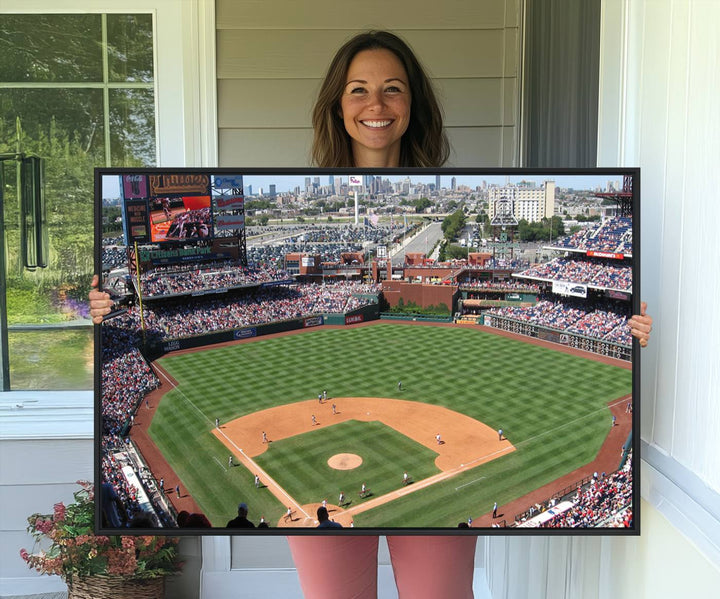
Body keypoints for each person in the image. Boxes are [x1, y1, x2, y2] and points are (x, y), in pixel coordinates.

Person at [88, 29, 654, 599]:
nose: (376, 105)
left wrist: (634, 326)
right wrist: (98, 312)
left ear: (414, 104)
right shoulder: (291, 179)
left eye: (393, 89)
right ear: (337, 104)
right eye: (358, 89)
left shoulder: (480, 175)